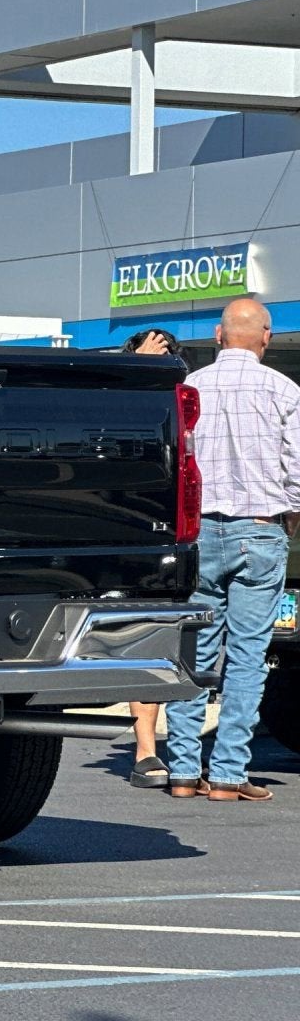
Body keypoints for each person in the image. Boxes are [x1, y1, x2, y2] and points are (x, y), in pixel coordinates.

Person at [168, 298, 299, 801]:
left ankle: (182, 770)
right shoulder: (285, 390)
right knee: (247, 657)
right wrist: (290, 514)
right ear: (266, 339)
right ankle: (226, 773)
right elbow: (298, 467)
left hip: (198, 532)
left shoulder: (189, 389)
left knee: (194, 653)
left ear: (220, 336)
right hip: (259, 531)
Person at [119, 329, 183, 787]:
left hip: (189, 533)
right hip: (142, 535)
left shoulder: (185, 402)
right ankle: (147, 750)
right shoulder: (120, 409)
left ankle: (193, 759)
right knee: (149, 640)